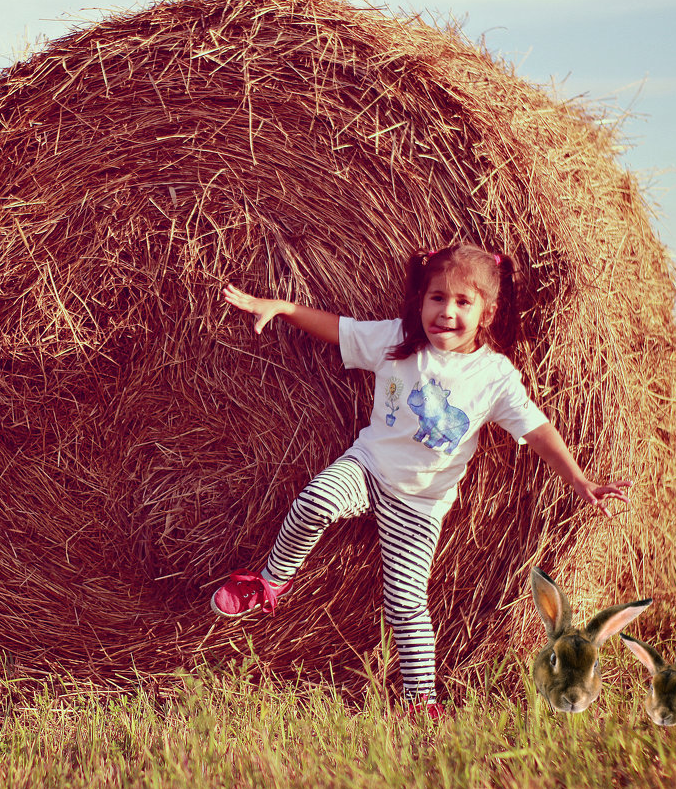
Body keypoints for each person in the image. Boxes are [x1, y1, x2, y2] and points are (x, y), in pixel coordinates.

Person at [211, 242, 631, 715]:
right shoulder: (397, 341)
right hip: (368, 467)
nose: (446, 312)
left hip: (421, 503)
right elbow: (338, 330)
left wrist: (580, 480)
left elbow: (538, 431)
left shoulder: (493, 376)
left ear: (486, 314)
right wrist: (283, 307)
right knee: (315, 500)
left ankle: (421, 701)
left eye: (462, 302)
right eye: (436, 298)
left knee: (406, 603)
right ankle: (270, 583)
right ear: (420, 301)